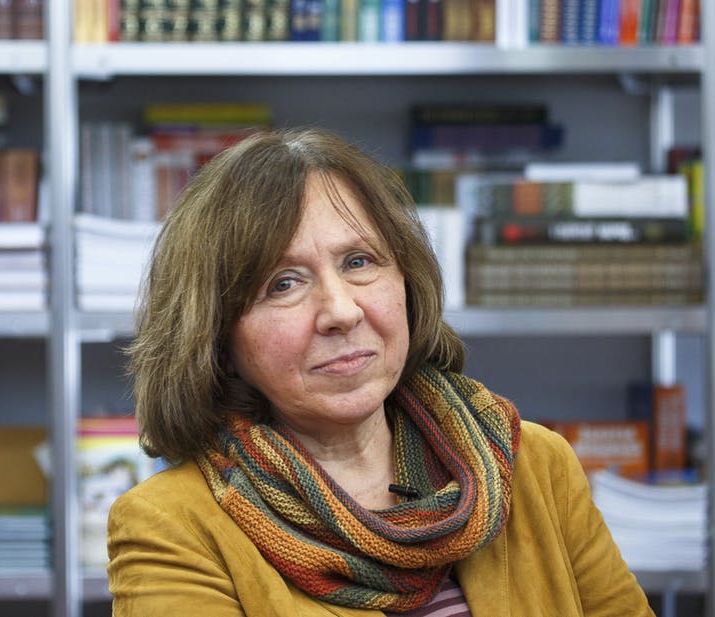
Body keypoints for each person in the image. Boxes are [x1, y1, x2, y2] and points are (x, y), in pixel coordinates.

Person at [107, 127, 655, 616]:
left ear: (407, 282)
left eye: (359, 262)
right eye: (284, 283)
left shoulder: (535, 464)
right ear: (217, 334)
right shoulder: (170, 526)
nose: (342, 311)